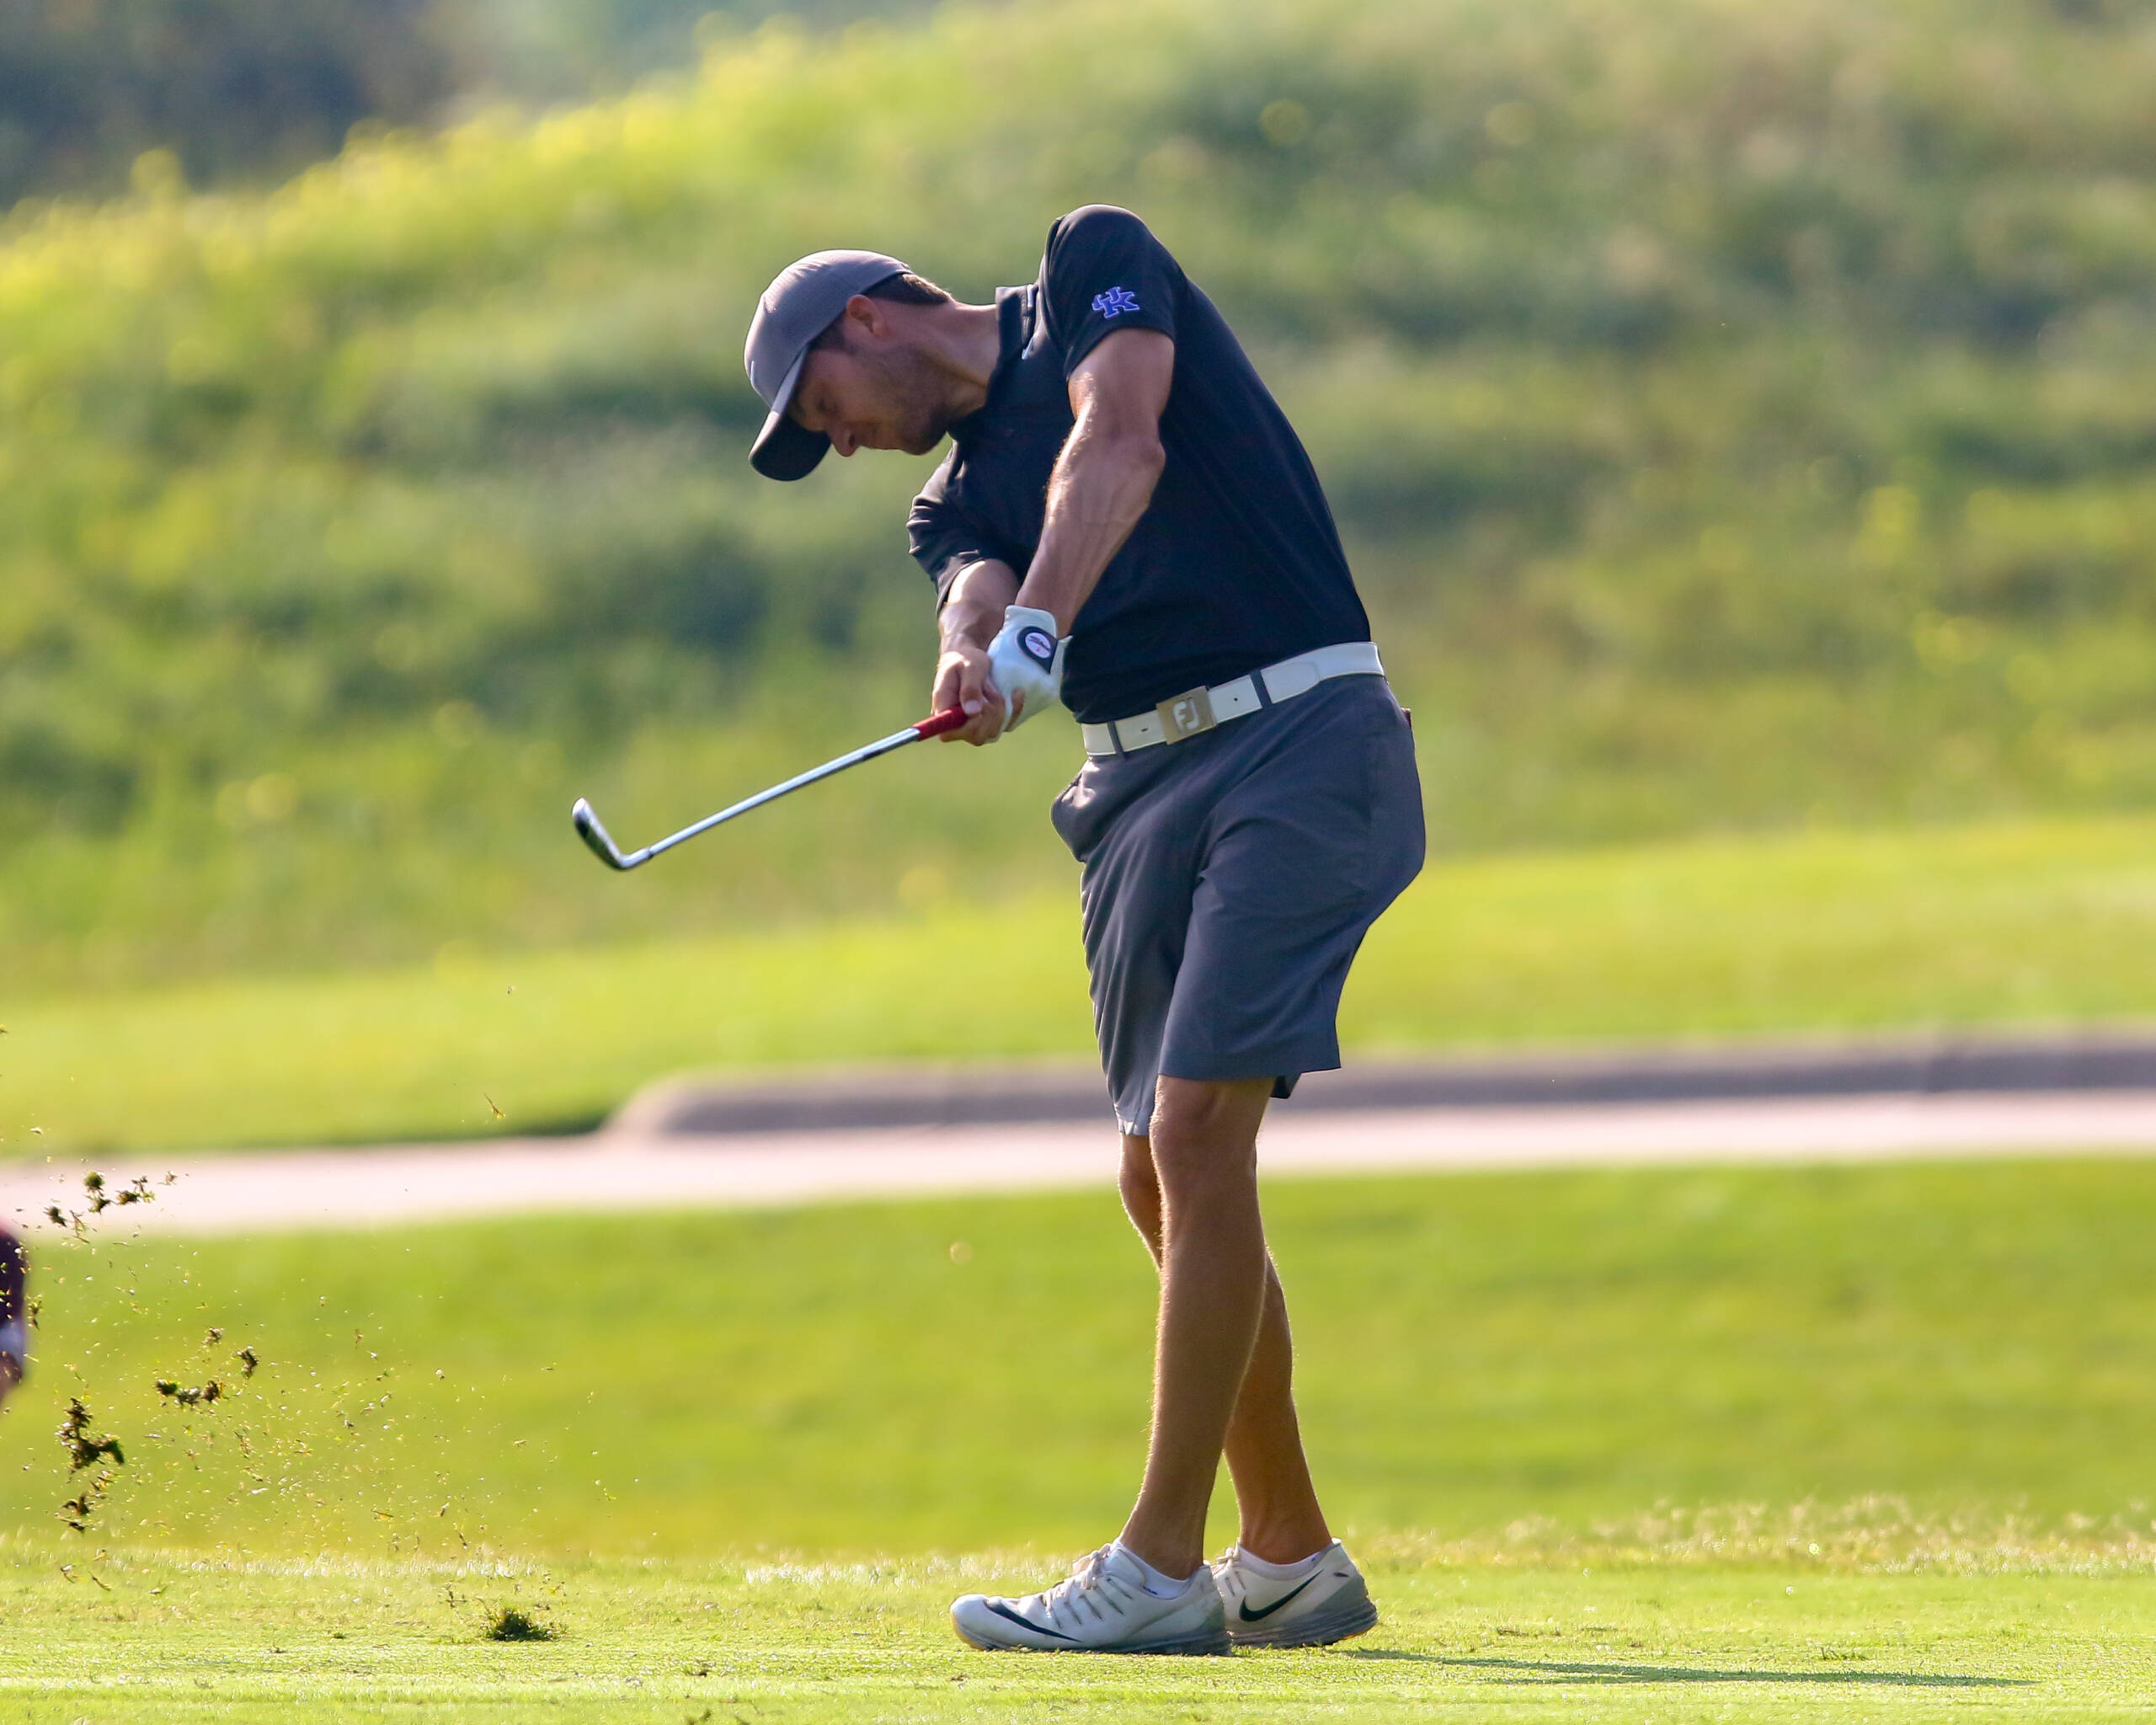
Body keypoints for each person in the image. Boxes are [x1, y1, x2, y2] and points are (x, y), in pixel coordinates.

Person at [743, 206, 1424, 1654]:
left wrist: (1040, 626)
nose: (843, 443)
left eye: (824, 410)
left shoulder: (1089, 266)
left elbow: (1116, 444)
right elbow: (974, 580)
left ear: (868, 318)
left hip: (1298, 735)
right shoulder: (943, 500)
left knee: (1195, 1137)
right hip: (1132, 790)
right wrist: (973, 661)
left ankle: (1161, 1568)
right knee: (1153, 1175)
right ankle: (1291, 1555)